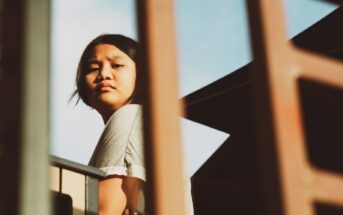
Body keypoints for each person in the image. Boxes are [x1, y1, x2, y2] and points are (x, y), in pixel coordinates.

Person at [74, 34, 193, 215]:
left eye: (117, 65)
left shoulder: (130, 116)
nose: (104, 74)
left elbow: (103, 211)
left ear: (142, 75)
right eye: (93, 68)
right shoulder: (147, 126)